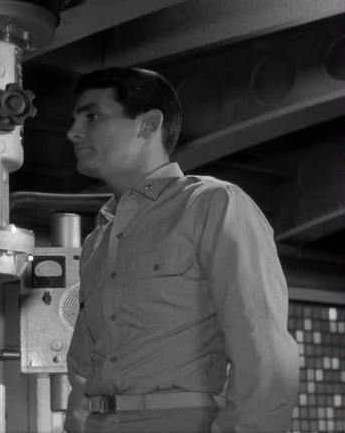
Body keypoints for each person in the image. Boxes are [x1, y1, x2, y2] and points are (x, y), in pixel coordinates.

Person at [64, 67, 299, 432]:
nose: (74, 132)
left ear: (148, 124)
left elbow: (264, 353)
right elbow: (83, 365)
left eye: (93, 116)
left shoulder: (213, 204)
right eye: (75, 120)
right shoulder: (99, 238)